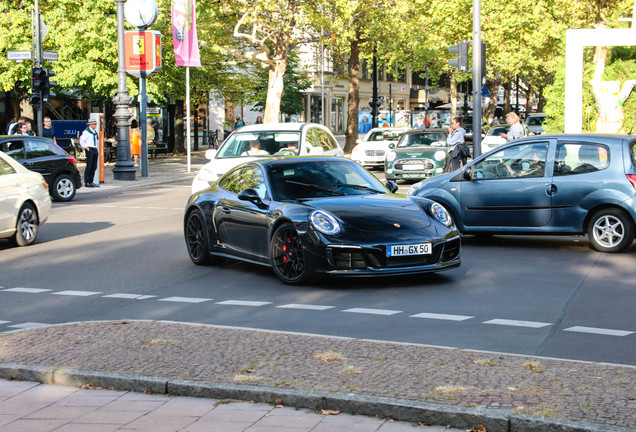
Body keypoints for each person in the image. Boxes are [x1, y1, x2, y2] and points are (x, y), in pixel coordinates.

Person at [79, 118, 100, 187]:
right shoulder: (86, 132)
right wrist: (86, 147)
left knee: (94, 166)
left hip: (94, 148)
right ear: (90, 125)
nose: (95, 125)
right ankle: (87, 181)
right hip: (90, 148)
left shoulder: (94, 132)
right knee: (89, 165)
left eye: (95, 124)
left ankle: (91, 181)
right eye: (94, 124)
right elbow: (81, 141)